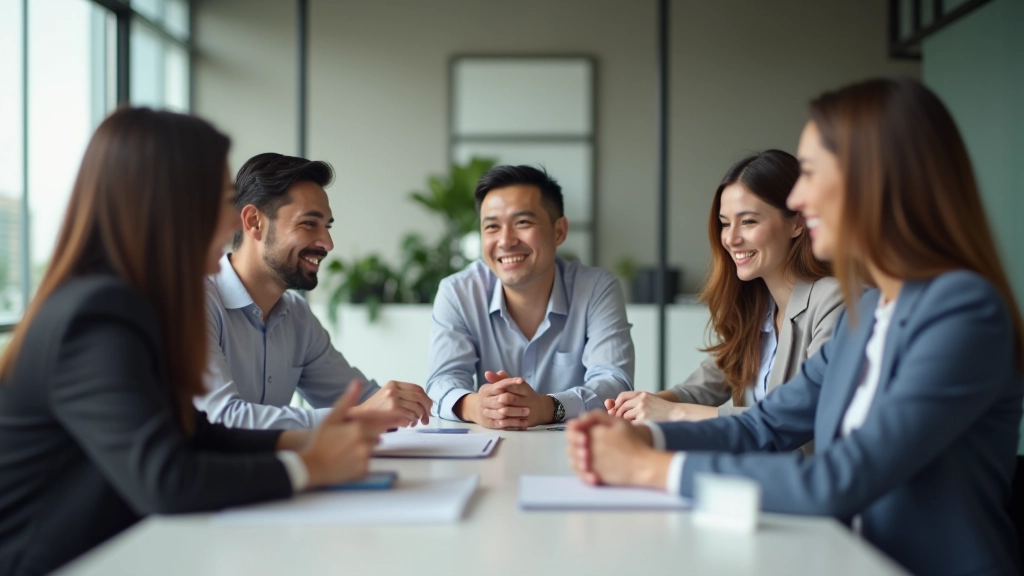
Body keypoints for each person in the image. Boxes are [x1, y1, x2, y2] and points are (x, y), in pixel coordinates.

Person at [567, 77, 1023, 576]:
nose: (800, 198)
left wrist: (651, 468)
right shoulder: (868, 313)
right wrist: (643, 439)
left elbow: (840, 477)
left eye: (809, 172)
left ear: (878, 177)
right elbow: (764, 426)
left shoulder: (963, 311)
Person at [0, 109, 403, 576]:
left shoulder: (131, 301)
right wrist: (310, 466)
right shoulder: (97, 314)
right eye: (221, 198)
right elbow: (166, 479)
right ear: (167, 204)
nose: (234, 217)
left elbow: (196, 431)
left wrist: (313, 438)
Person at [195, 153, 433, 429]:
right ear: (253, 222)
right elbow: (221, 418)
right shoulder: (197, 302)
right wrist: (362, 415)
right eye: (309, 223)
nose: (328, 243)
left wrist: (415, 404)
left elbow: (360, 401)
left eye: (327, 226)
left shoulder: (296, 316)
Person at [606, 150, 842, 423]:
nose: (730, 238)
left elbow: (799, 417)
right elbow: (704, 387)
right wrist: (645, 404)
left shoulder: (832, 300)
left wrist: (673, 412)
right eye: (725, 223)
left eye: (749, 221)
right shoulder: (757, 308)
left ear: (797, 223)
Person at [426, 165, 634, 430]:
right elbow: (441, 382)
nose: (505, 240)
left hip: (575, 451)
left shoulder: (596, 289)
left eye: (522, 222)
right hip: (490, 452)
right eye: (491, 226)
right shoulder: (458, 292)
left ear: (559, 231)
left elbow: (615, 383)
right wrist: (476, 405)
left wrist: (546, 407)